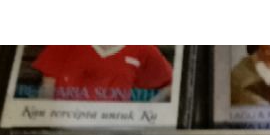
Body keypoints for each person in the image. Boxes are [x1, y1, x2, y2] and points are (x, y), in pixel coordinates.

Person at [31, 45, 173, 102]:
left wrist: (146, 112)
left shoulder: (142, 47)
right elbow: (47, 89)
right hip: (65, 126)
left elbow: (175, 85)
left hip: (114, 130)